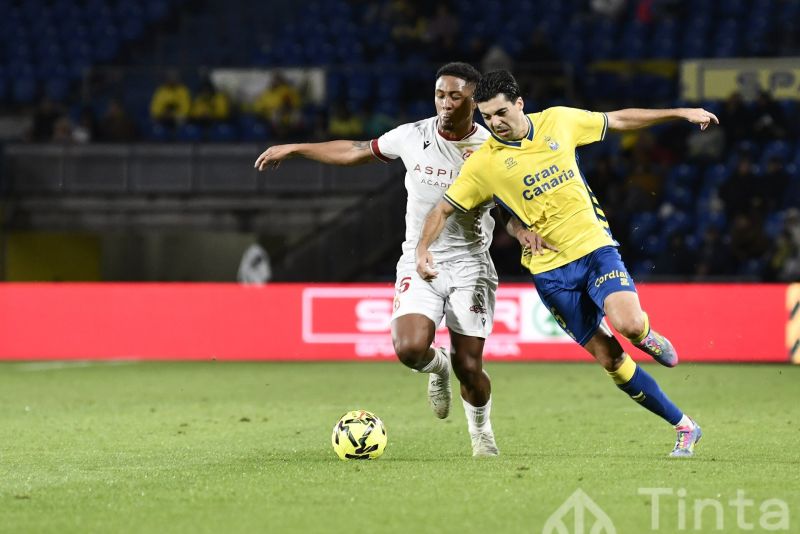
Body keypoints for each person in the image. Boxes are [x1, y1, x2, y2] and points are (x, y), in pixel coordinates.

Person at [416, 70, 719, 457]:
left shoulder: (559, 120)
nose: (495, 124)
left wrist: (681, 112)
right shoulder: (484, 164)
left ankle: (645, 333)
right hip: (549, 274)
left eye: (501, 113)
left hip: (594, 249)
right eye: (487, 117)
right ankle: (685, 426)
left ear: (520, 103)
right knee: (610, 360)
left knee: (627, 324)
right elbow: (444, 208)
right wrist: (423, 248)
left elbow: (620, 119)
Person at [255, 63, 552, 457]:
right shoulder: (412, 135)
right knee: (410, 349)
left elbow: (509, 212)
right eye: (440, 95)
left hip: (471, 266)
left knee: (471, 367)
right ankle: (438, 368)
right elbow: (357, 150)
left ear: (473, 101)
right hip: (419, 258)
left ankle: (481, 435)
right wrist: (297, 148)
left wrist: (522, 234)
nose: (445, 104)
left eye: (455, 97)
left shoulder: (490, 147)